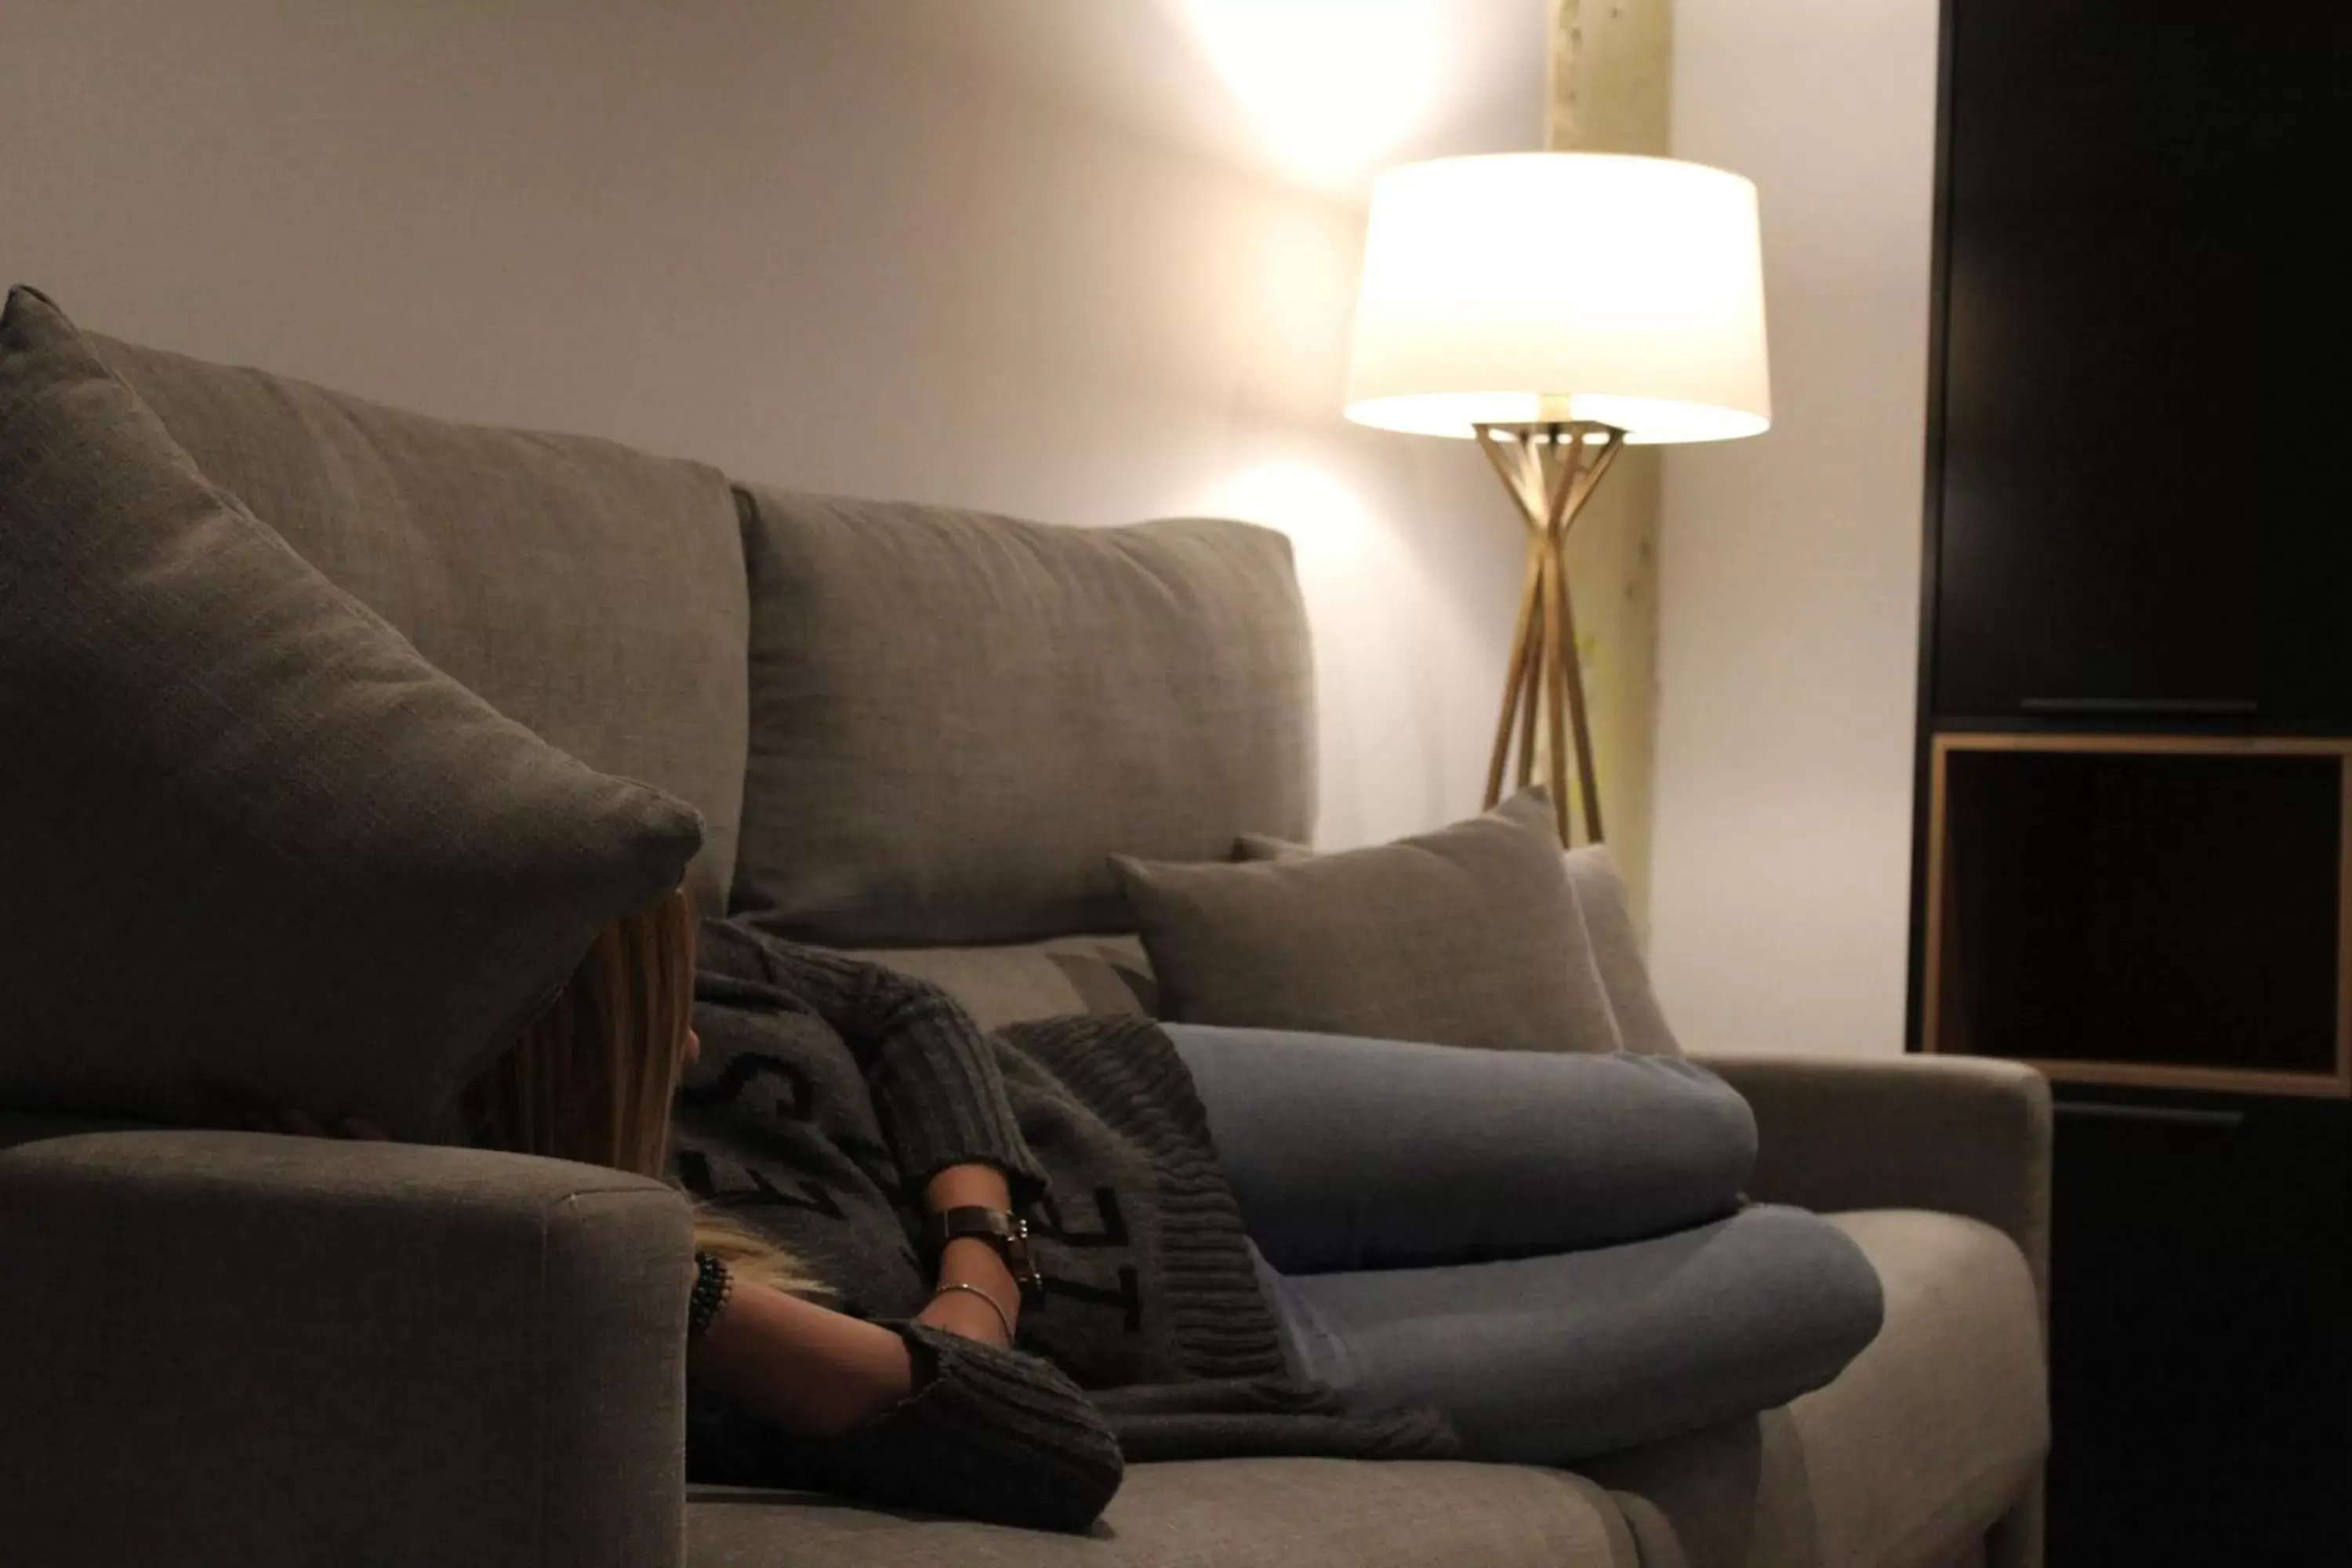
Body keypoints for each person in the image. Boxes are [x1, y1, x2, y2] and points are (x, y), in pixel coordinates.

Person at [287, 882, 1877, 1535]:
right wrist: (675, 1287)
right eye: (655, 1044)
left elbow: (909, 1010)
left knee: (1696, 1118)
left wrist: (979, 1249)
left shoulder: (618, 927)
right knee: (1813, 1274)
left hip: (1143, 1098)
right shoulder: (644, 1308)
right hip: (1240, 1339)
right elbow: (1039, 1447)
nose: (699, 1043)